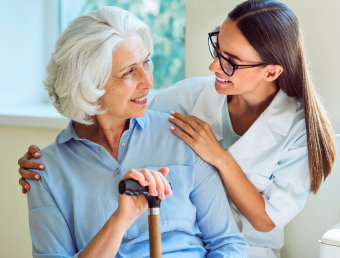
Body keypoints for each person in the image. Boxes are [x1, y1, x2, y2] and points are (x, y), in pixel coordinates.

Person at [18, 1, 336, 257]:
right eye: (217, 49)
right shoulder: (185, 101)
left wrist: (219, 157)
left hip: (251, 246)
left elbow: (258, 225)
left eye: (231, 61)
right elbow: (102, 111)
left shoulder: (296, 129)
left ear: (271, 72)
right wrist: (52, 161)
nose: (214, 66)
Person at [22, 6, 248, 258]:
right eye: (129, 71)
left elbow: (229, 245)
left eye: (146, 62)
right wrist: (120, 219)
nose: (148, 81)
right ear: (89, 83)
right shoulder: (45, 171)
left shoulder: (183, 136)